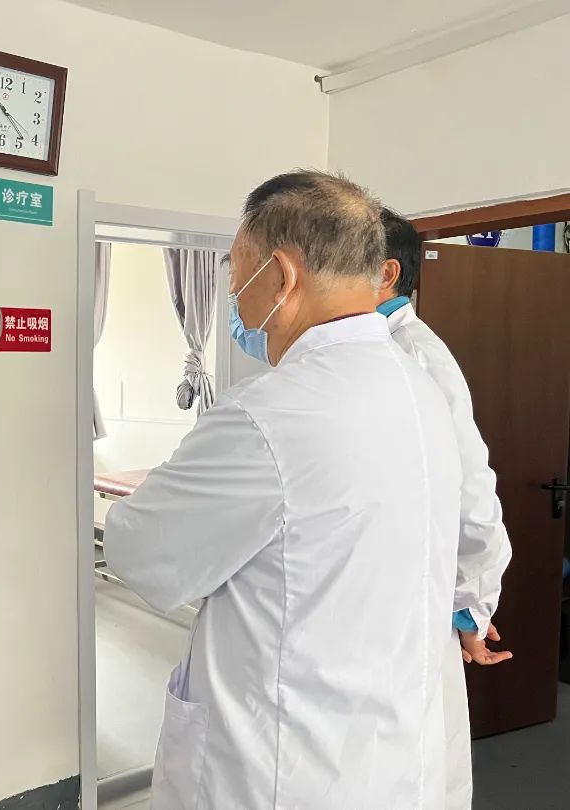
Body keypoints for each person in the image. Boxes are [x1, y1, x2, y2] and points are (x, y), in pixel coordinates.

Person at [105, 171, 463, 808]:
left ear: (281, 275)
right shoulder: (421, 389)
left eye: (236, 273)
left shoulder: (266, 416)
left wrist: (165, 487)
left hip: (284, 766)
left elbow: (142, 555)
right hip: (391, 757)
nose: (234, 295)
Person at [378, 208, 513, 809]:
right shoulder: (368, 352)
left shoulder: (417, 355)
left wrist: (470, 605)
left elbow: (474, 498)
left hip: (411, 607)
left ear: (385, 273)